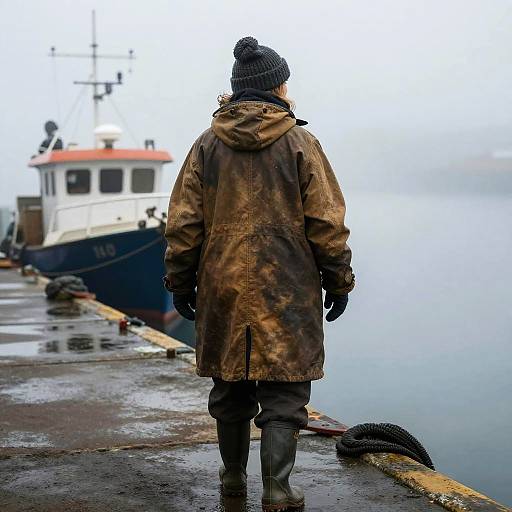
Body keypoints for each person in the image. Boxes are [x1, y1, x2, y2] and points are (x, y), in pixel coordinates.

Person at [163, 36, 355, 511]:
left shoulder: (207, 145)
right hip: (286, 287)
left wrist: (180, 281)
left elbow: (183, 224)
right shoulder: (301, 143)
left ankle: (232, 481)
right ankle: (278, 489)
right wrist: (339, 279)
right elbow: (327, 223)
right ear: (277, 86)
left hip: (222, 286)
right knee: (284, 389)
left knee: (229, 387)